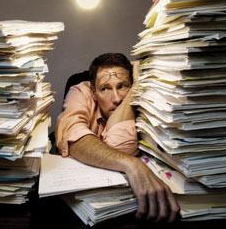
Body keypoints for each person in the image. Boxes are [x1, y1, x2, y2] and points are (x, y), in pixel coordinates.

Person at [55, 52, 180, 222]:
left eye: (122, 86)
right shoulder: (81, 91)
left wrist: (135, 89)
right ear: (93, 92)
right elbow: (73, 132)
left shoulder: (144, 96)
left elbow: (119, 146)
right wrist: (132, 164)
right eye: (105, 88)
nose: (117, 98)